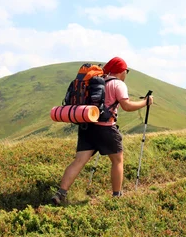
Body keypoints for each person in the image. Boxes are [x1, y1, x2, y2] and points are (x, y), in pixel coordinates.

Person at [51, 57, 153, 205]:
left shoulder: (96, 81)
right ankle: (117, 197)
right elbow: (127, 106)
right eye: (126, 71)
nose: (126, 74)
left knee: (78, 161)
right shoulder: (118, 84)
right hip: (106, 129)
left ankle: (60, 194)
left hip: (88, 126)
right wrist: (146, 102)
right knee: (117, 161)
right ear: (121, 71)